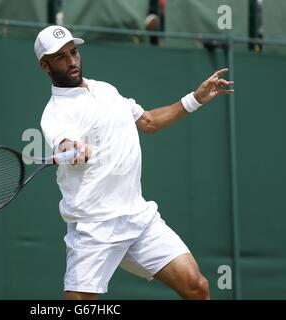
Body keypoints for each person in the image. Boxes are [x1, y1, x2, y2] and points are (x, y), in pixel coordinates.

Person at [34, 25, 234, 300]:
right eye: (60, 57)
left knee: (197, 287)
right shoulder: (55, 114)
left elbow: (149, 122)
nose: (71, 61)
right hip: (95, 226)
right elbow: (66, 143)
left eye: (74, 52)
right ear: (45, 66)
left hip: (138, 218)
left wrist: (196, 99)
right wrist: (74, 148)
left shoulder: (106, 90)